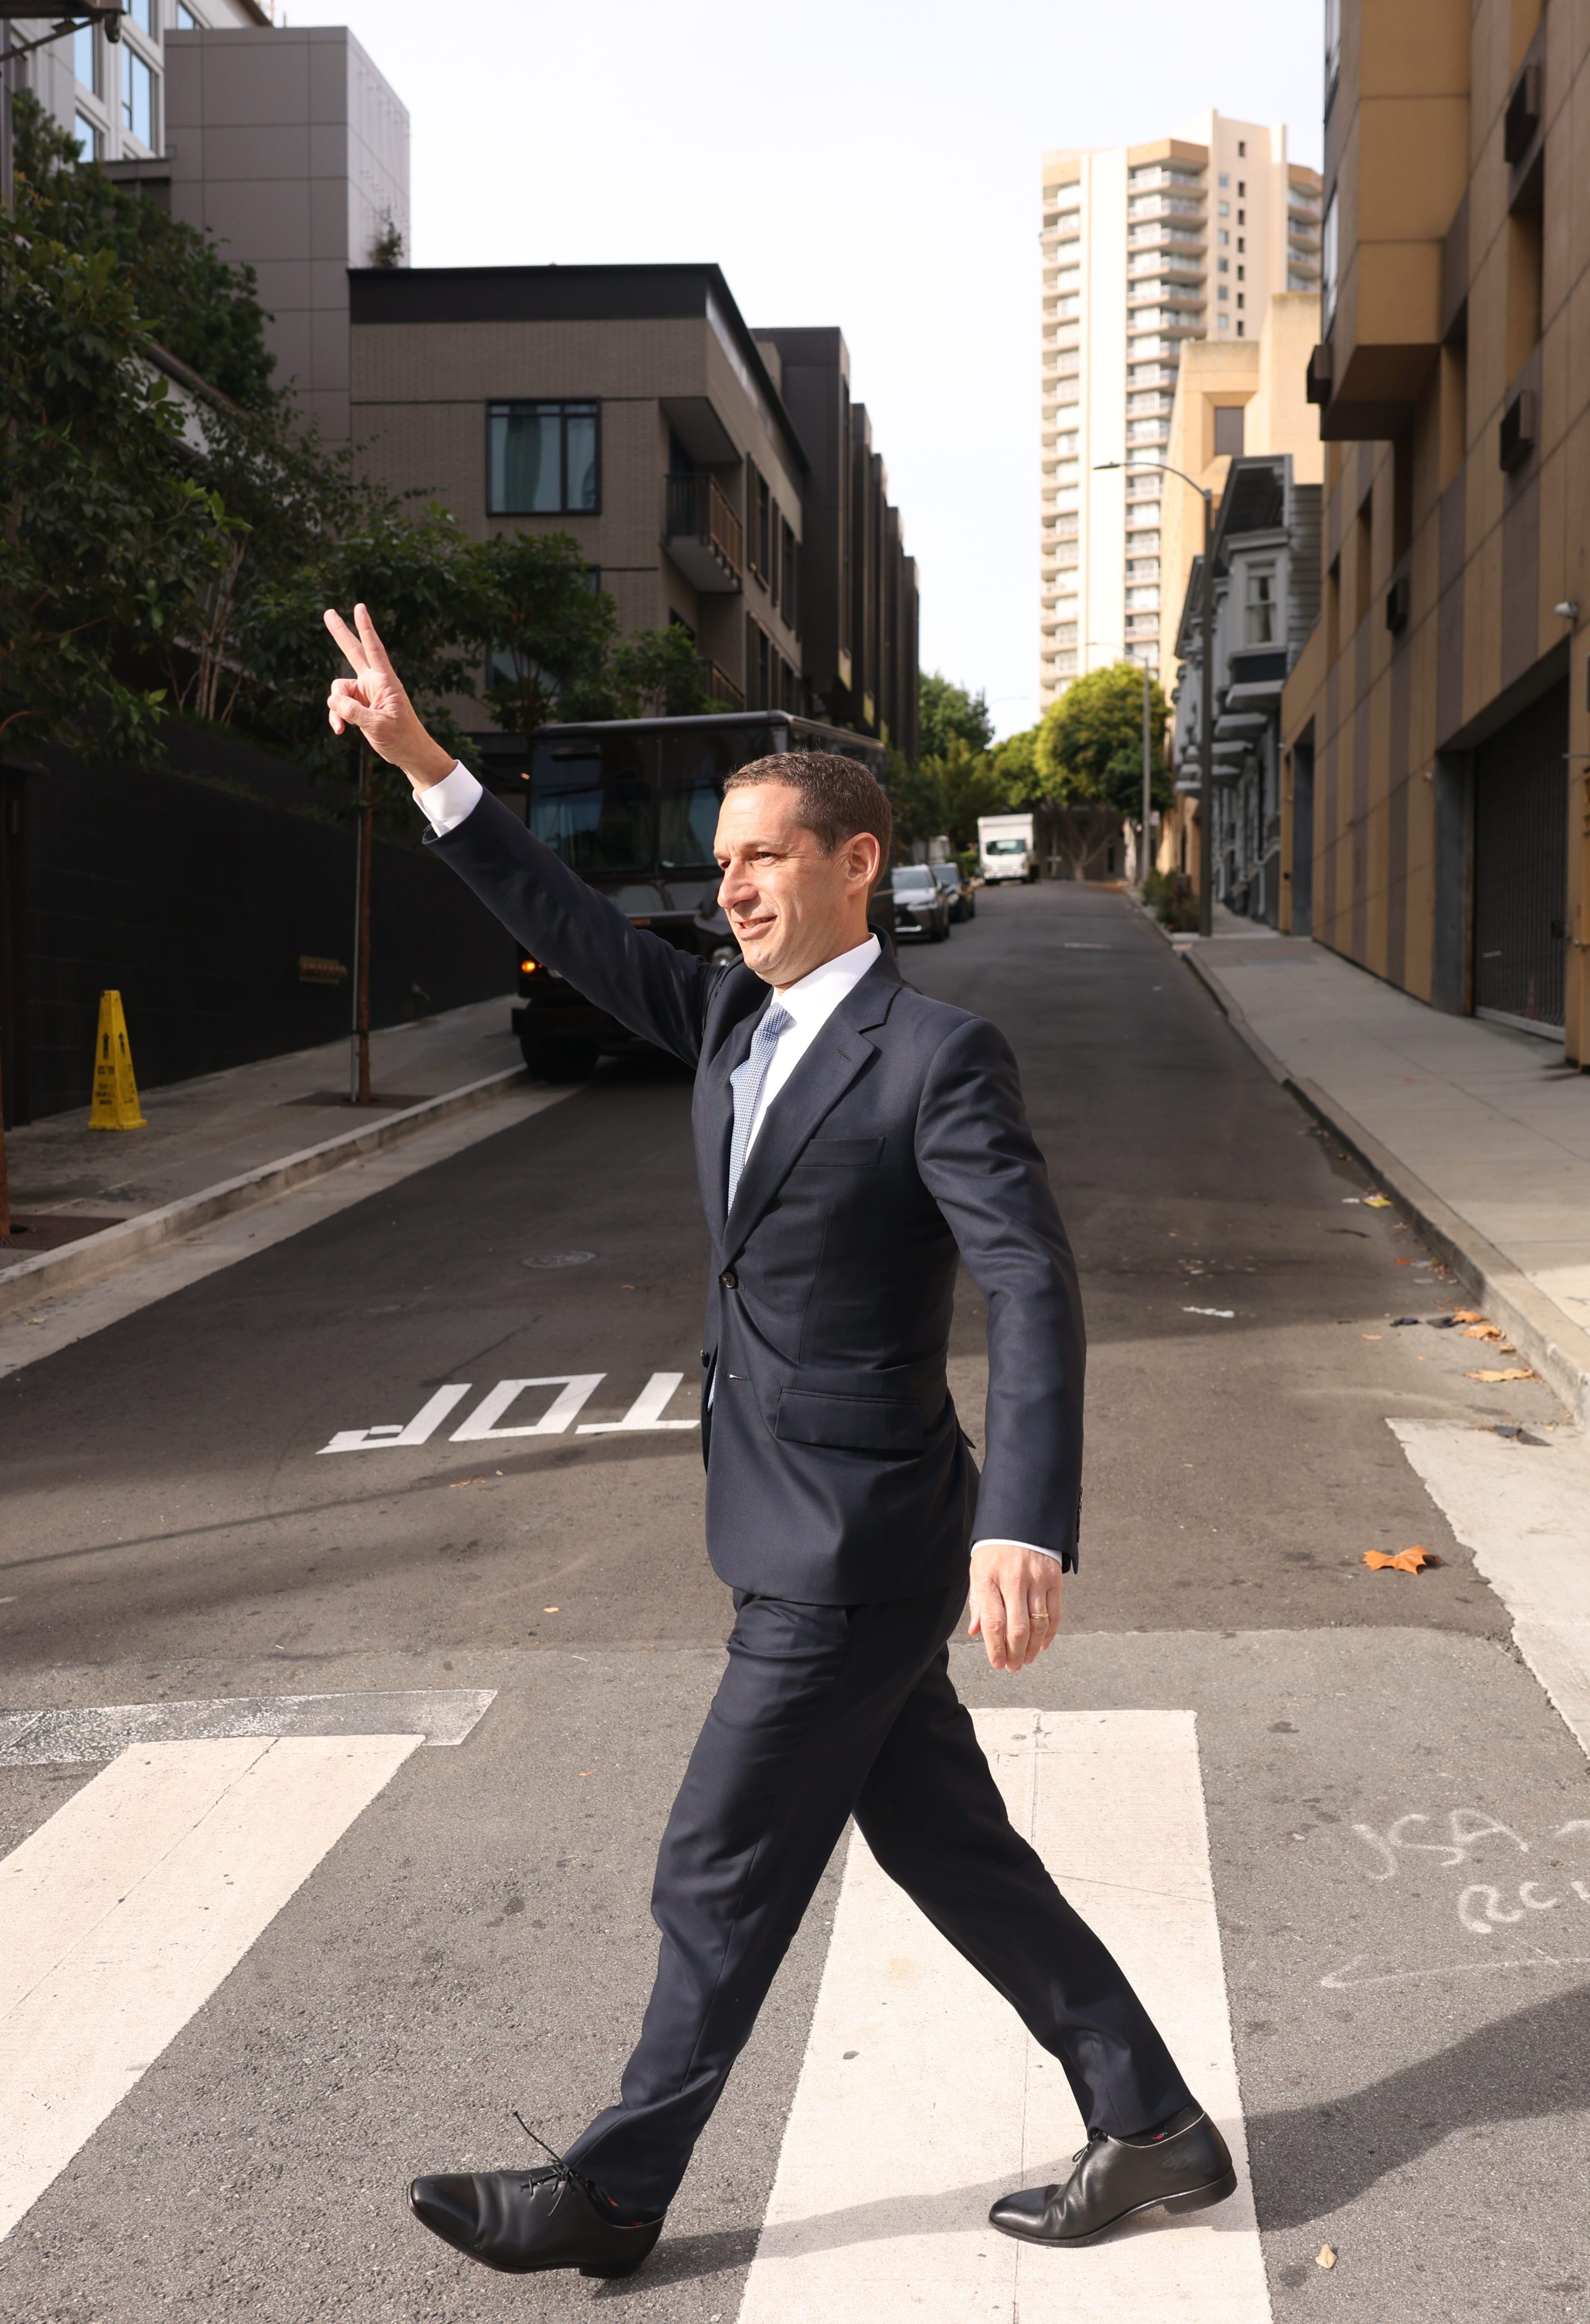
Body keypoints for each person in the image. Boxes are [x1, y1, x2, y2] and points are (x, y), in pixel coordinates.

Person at [323, 605, 1235, 2282]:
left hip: (860, 1541)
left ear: (857, 864)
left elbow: (1032, 1282)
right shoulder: (736, 1028)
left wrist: (1025, 1518)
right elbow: (574, 927)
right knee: (954, 1846)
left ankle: (614, 2184)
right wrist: (426, 765)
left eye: (762, 856)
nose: (731, 884)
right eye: (722, 859)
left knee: (719, 1855)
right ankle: (1153, 2118)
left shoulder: (938, 1056)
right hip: (791, 1524)